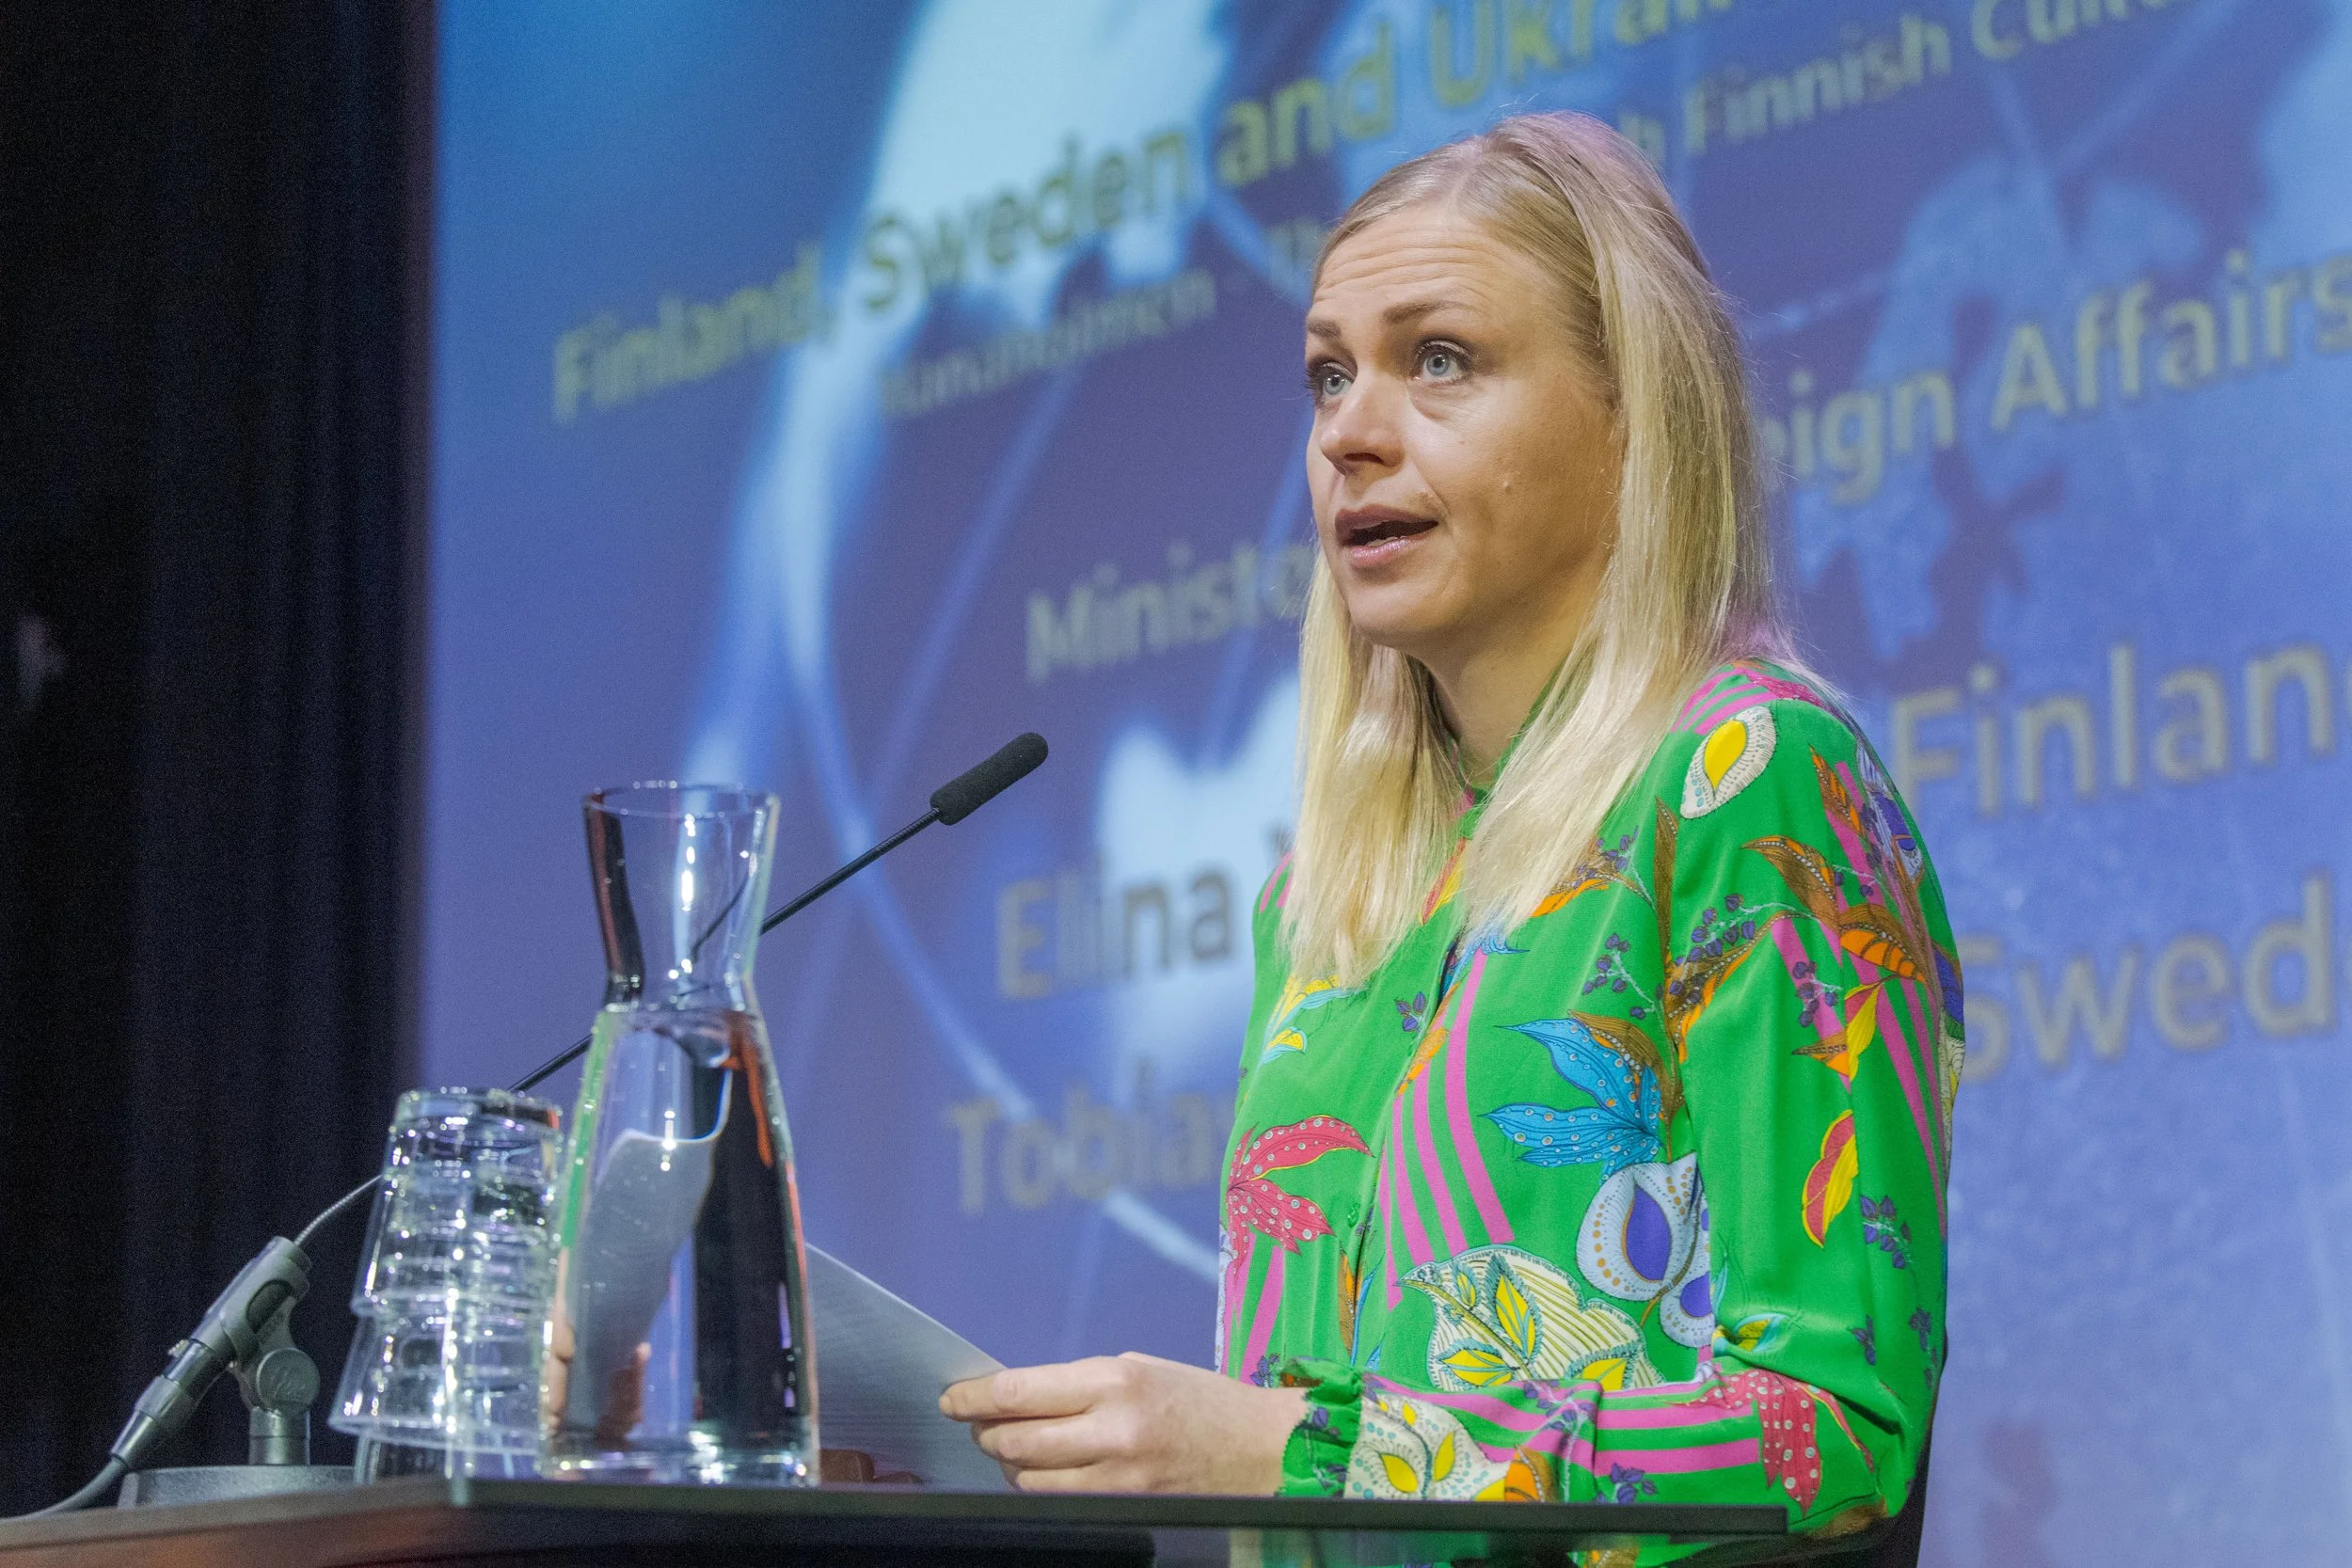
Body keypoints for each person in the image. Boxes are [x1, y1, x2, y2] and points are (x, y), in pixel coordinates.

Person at [942, 110, 1954, 1556]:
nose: (1351, 431)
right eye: (1328, 375)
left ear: (1631, 414)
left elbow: (1835, 1429)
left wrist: (1316, 1451)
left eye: (1440, 360)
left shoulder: (1749, 777)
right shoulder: (1324, 898)